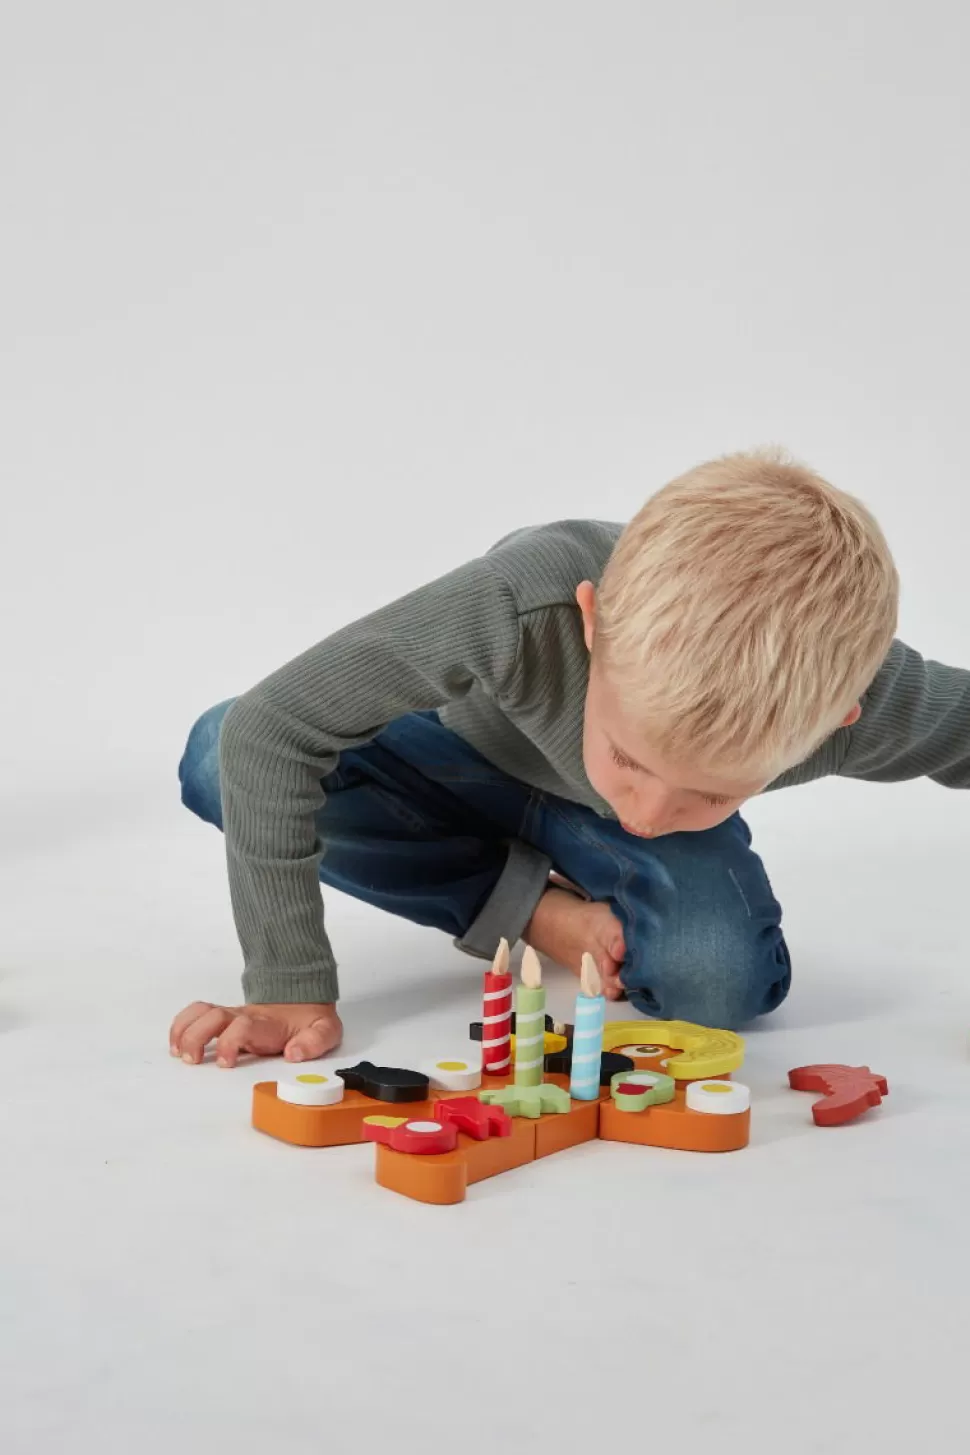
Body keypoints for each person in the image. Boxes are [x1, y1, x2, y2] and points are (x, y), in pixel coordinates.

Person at [171, 449, 969, 1067]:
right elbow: (272, 730)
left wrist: (644, 779)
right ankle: (525, 909)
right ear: (592, 625)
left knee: (715, 982)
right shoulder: (519, 602)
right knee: (221, 752)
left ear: (837, 720)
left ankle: (568, 868)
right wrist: (286, 985)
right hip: (452, 765)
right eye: (631, 757)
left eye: (709, 794)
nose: (650, 814)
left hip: (587, 833)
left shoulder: (852, 698)